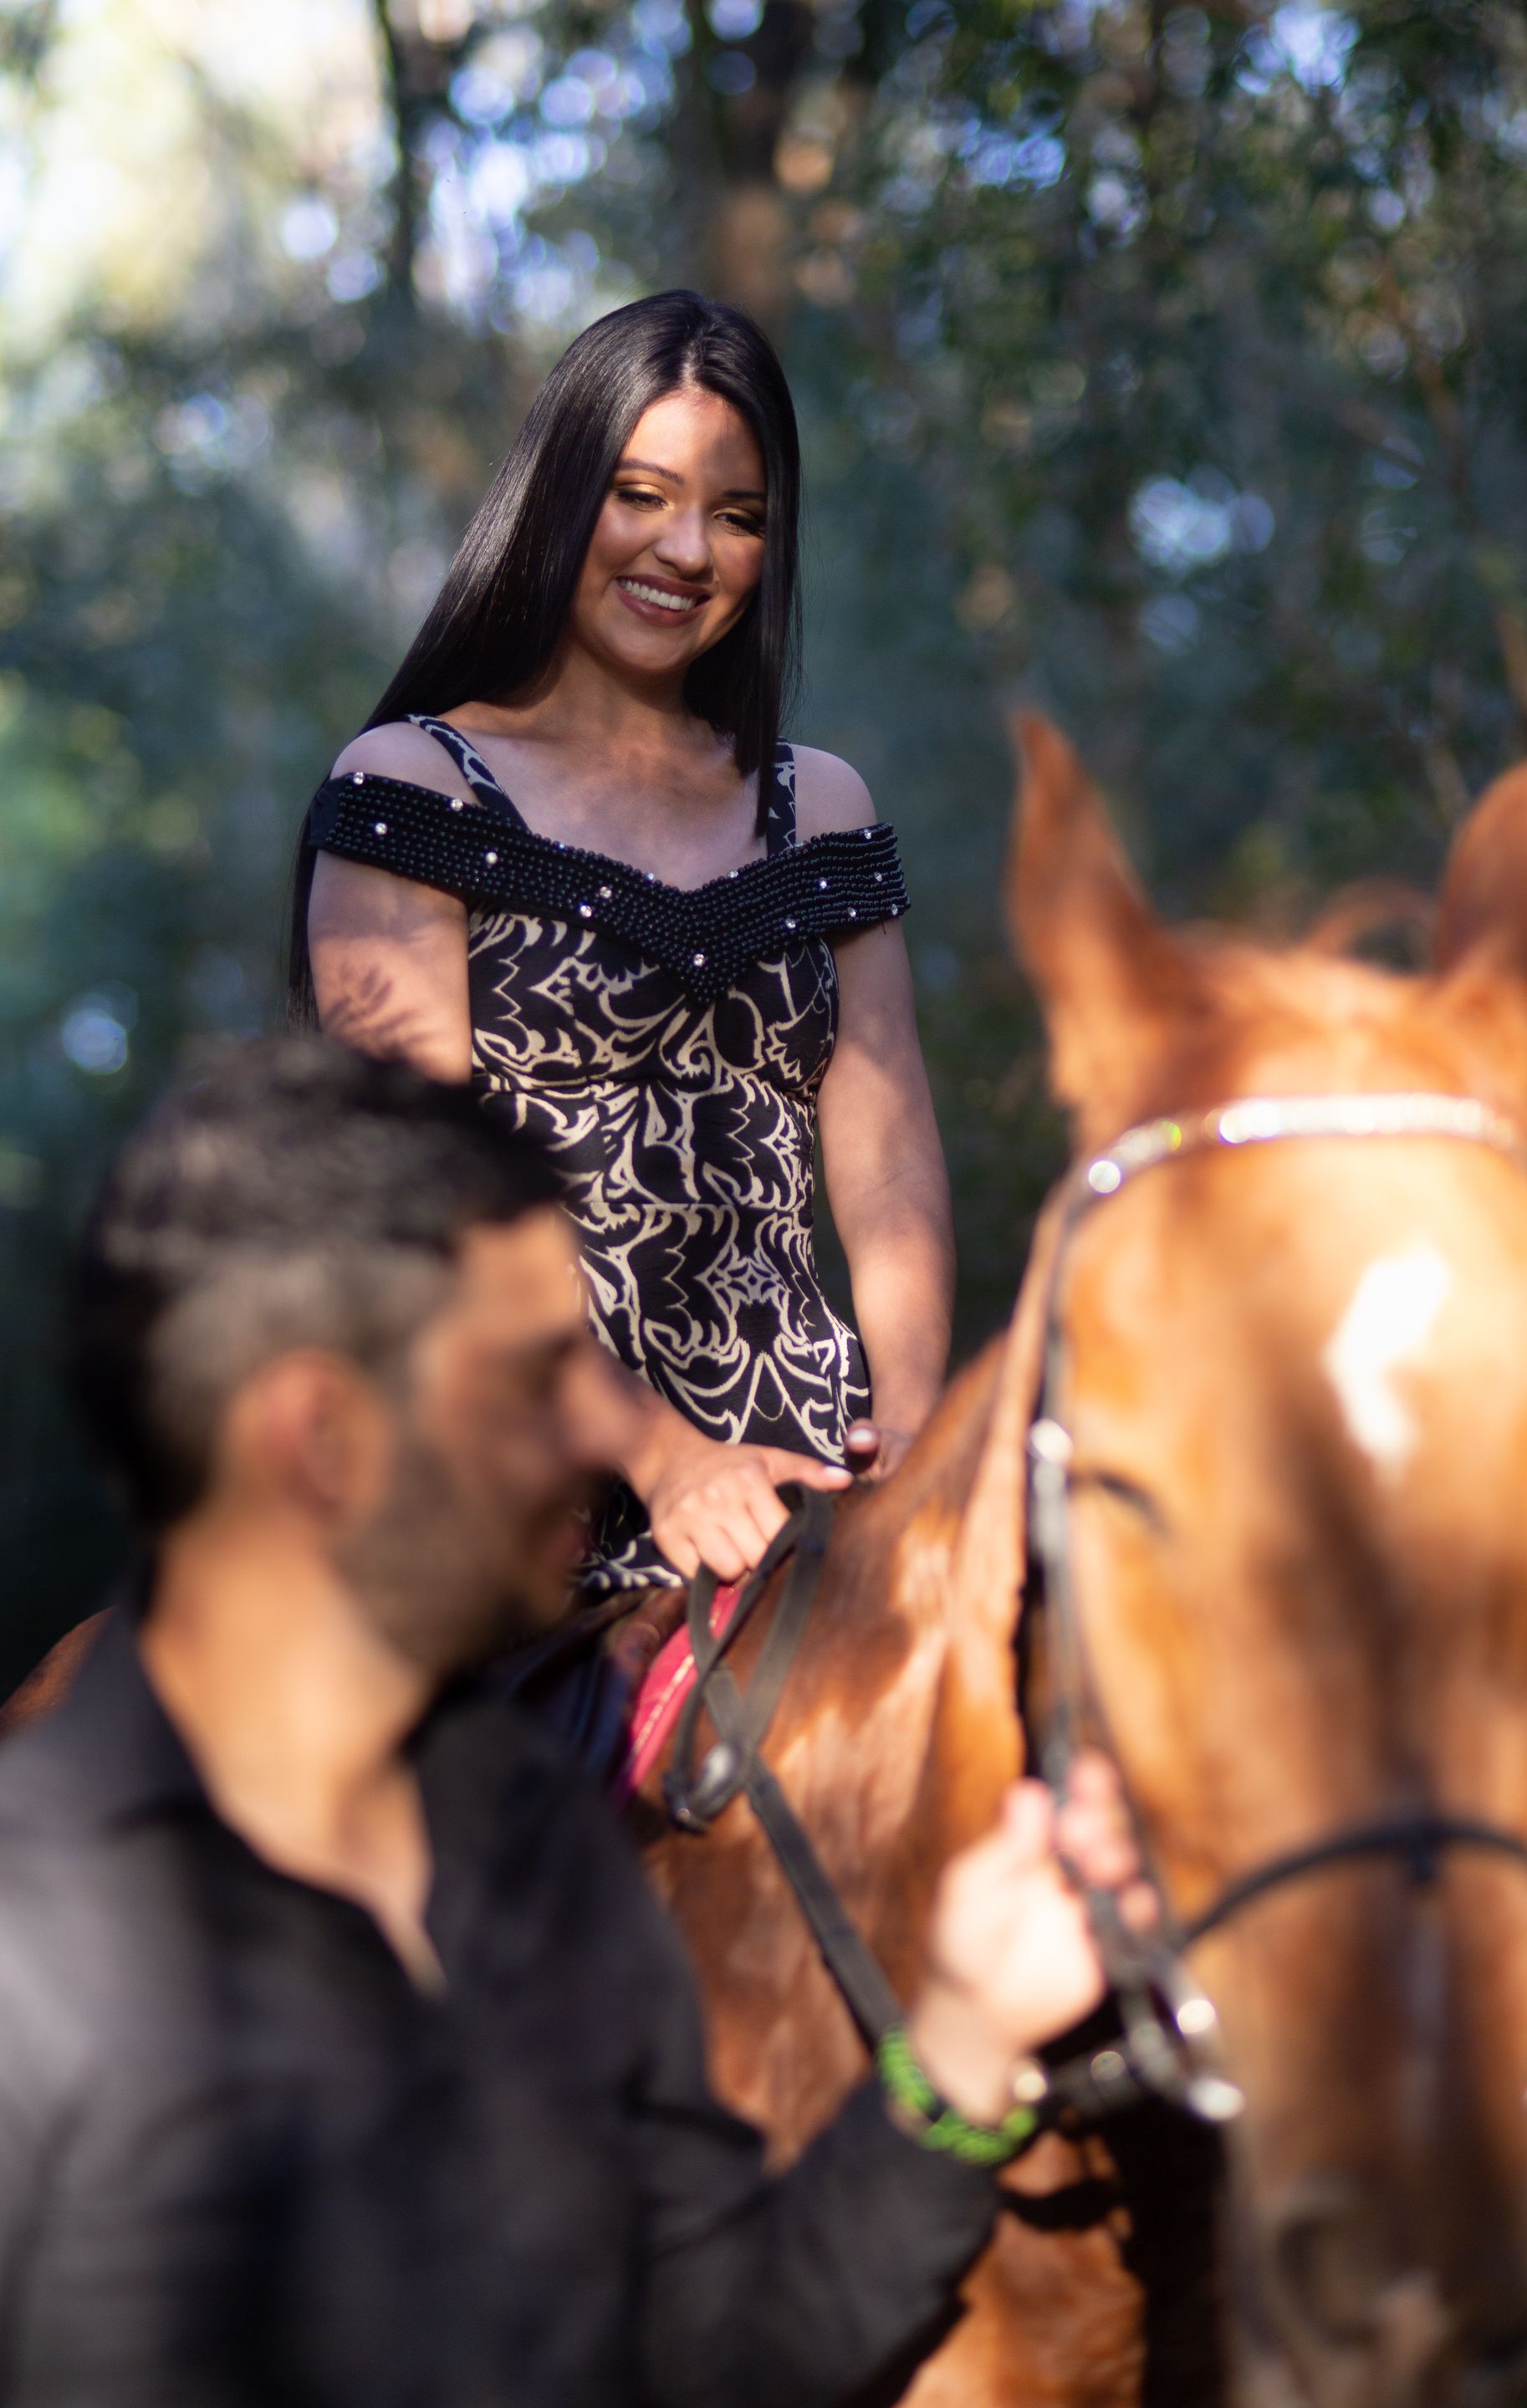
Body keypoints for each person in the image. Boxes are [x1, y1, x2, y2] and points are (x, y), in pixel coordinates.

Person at [0, 1039, 1145, 2407]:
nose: (609, 1424)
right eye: (541, 1371)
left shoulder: (538, 1837)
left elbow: (724, 2351)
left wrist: (960, 2039)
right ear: (321, 1437)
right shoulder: (33, 1943)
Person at [290, 288, 953, 1604]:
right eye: (641, 494)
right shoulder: (416, 788)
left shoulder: (823, 806)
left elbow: (886, 1162)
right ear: (558, 495)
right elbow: (427, 1208)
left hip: (799, 1476)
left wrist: (923, 1429)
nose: (688, 549)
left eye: (741, 515)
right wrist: (662, 1456)